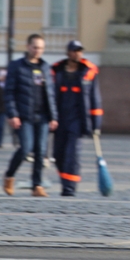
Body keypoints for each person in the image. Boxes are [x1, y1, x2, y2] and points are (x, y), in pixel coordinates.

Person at [2, 34, 58, 198]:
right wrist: (12, 114)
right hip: (24, 115)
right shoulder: (17, 66)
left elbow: (50, 94)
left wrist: (54, 116)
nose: (37, 51)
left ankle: (37, 185)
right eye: (35, 47)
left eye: (41, 48)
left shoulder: (45, 67)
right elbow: (9, 92)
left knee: (41, 151)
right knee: (26, 148)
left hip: (43, 116)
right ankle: (9, 175)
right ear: (28, 47)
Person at [51, 40, 102, 197]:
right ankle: (66, 181)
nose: (78, 53)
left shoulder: (89, 72)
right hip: (59, 119)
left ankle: (69, 188)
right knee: (58, 155)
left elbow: (95, 99)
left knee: (71, 155)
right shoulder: (56, 71)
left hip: (78, 121)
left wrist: (96, 124)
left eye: (80, 50)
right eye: (75, 51)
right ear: (68, 53)